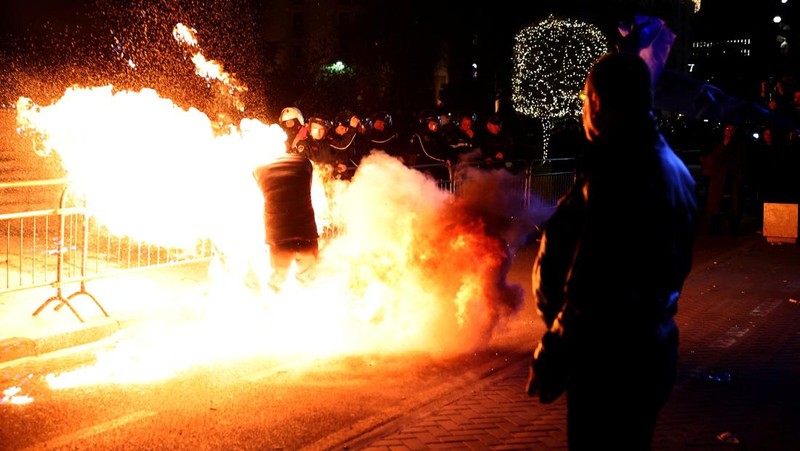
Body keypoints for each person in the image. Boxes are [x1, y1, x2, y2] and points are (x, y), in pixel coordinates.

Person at [526, 52, 699, 449]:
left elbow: (598, 279)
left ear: (600, 102)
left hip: (610, 358)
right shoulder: (669, 166)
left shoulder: (624, 169)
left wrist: (555, 348)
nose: (583, 110)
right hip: (646, 348)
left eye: (585, 100)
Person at [253, 147, 319, 293]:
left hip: (279, 239)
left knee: (277, 281)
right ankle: (310, 305)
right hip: (307, 236)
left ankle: (272, 308)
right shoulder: (304, 165)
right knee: (308, 279)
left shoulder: (260, 169)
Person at [705, 123, 746, 235]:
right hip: (720, 178)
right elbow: (713, 155)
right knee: (716, 205)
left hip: (733, 177)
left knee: (734, 205)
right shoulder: (718, 141)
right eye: (727, 129)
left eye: (732, 129)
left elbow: (741, 159)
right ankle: (715, 229)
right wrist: (724, 144)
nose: (729, 132)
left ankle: (734, 228)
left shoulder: (739, 143)